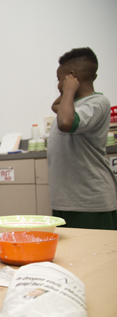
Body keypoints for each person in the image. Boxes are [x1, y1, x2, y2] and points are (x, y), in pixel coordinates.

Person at [48, 47, 117, 230]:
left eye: (59, 79)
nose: (58, 85)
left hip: (89, 202)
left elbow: (65, 123)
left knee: (95, 257)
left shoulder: (97, 103)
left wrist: (69, 88)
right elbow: (56, 106)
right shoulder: (69, 106)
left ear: (71, 76)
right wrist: (68, 91)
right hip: (65, 201)